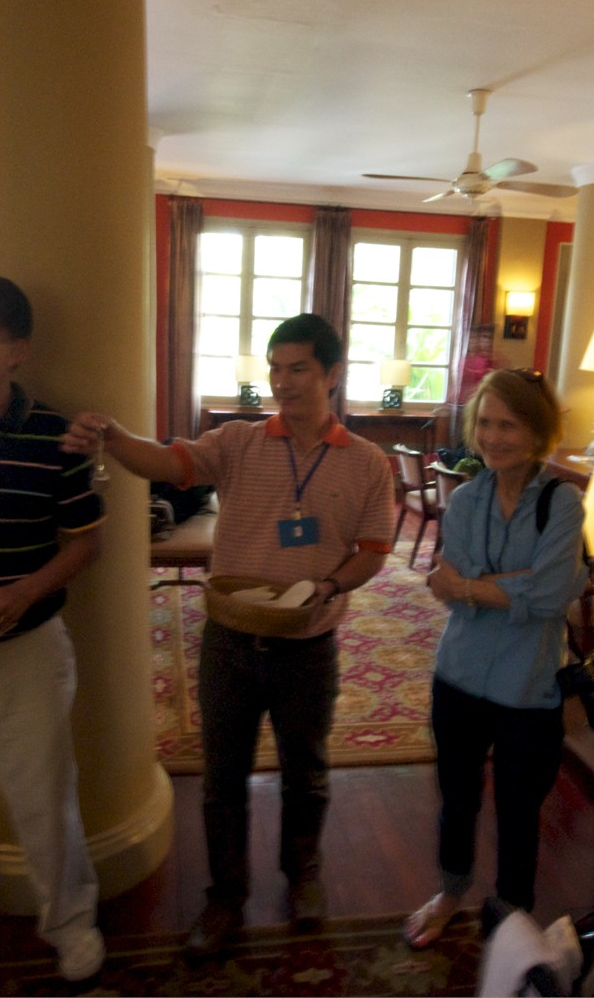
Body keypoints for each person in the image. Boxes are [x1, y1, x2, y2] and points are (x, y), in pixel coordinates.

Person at [62, 313, 396, 959]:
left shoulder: (367, 463)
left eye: (298, 369)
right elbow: (165, 461)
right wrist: (114, 436)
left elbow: (374, 550)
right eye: (275, 369)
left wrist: (328, 586)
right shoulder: (240, 441)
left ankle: (303, 875)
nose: (282, 382)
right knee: (222, 778)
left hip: (309, 642)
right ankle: (225, 896)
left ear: (332, 373)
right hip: (231, 641)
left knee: (307, 771)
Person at [403, 368, 588, 949]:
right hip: (458, 674)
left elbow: (551, 596)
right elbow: (455, 586)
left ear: (537, 433)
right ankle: (451, 892)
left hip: (529, 685)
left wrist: (469, 585)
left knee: (519, 809)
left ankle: (510, 910)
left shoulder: (562, 504)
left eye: (508, 425)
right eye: (485, 422)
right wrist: (518, 584)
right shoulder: (464, 500)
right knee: (456, 799)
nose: (492, 437)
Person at [0, 272, 106, 980]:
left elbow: (86, 543)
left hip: (19, 649)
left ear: (16, 349)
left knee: (43, 800)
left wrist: (22, 593)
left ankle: (71, 924)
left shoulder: (56, 434)